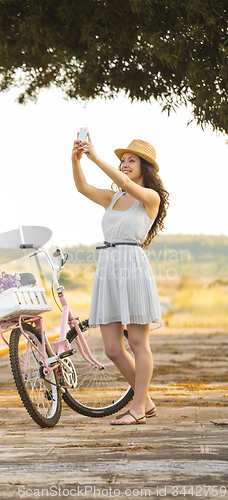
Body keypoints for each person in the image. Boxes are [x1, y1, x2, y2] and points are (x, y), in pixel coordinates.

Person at [71, 134, 169, 425]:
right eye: (122, 161)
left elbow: (126, 184)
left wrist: (95, 157)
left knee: (138, 343)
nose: (125, 165)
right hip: (108, 266)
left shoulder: (151, 198)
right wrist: (75, 159)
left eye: (131, 160)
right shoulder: (113, 198)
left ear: (145, 168)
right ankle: (146, 401)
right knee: (113, 348)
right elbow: (82, 187)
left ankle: (138, 408)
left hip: (132, 266)